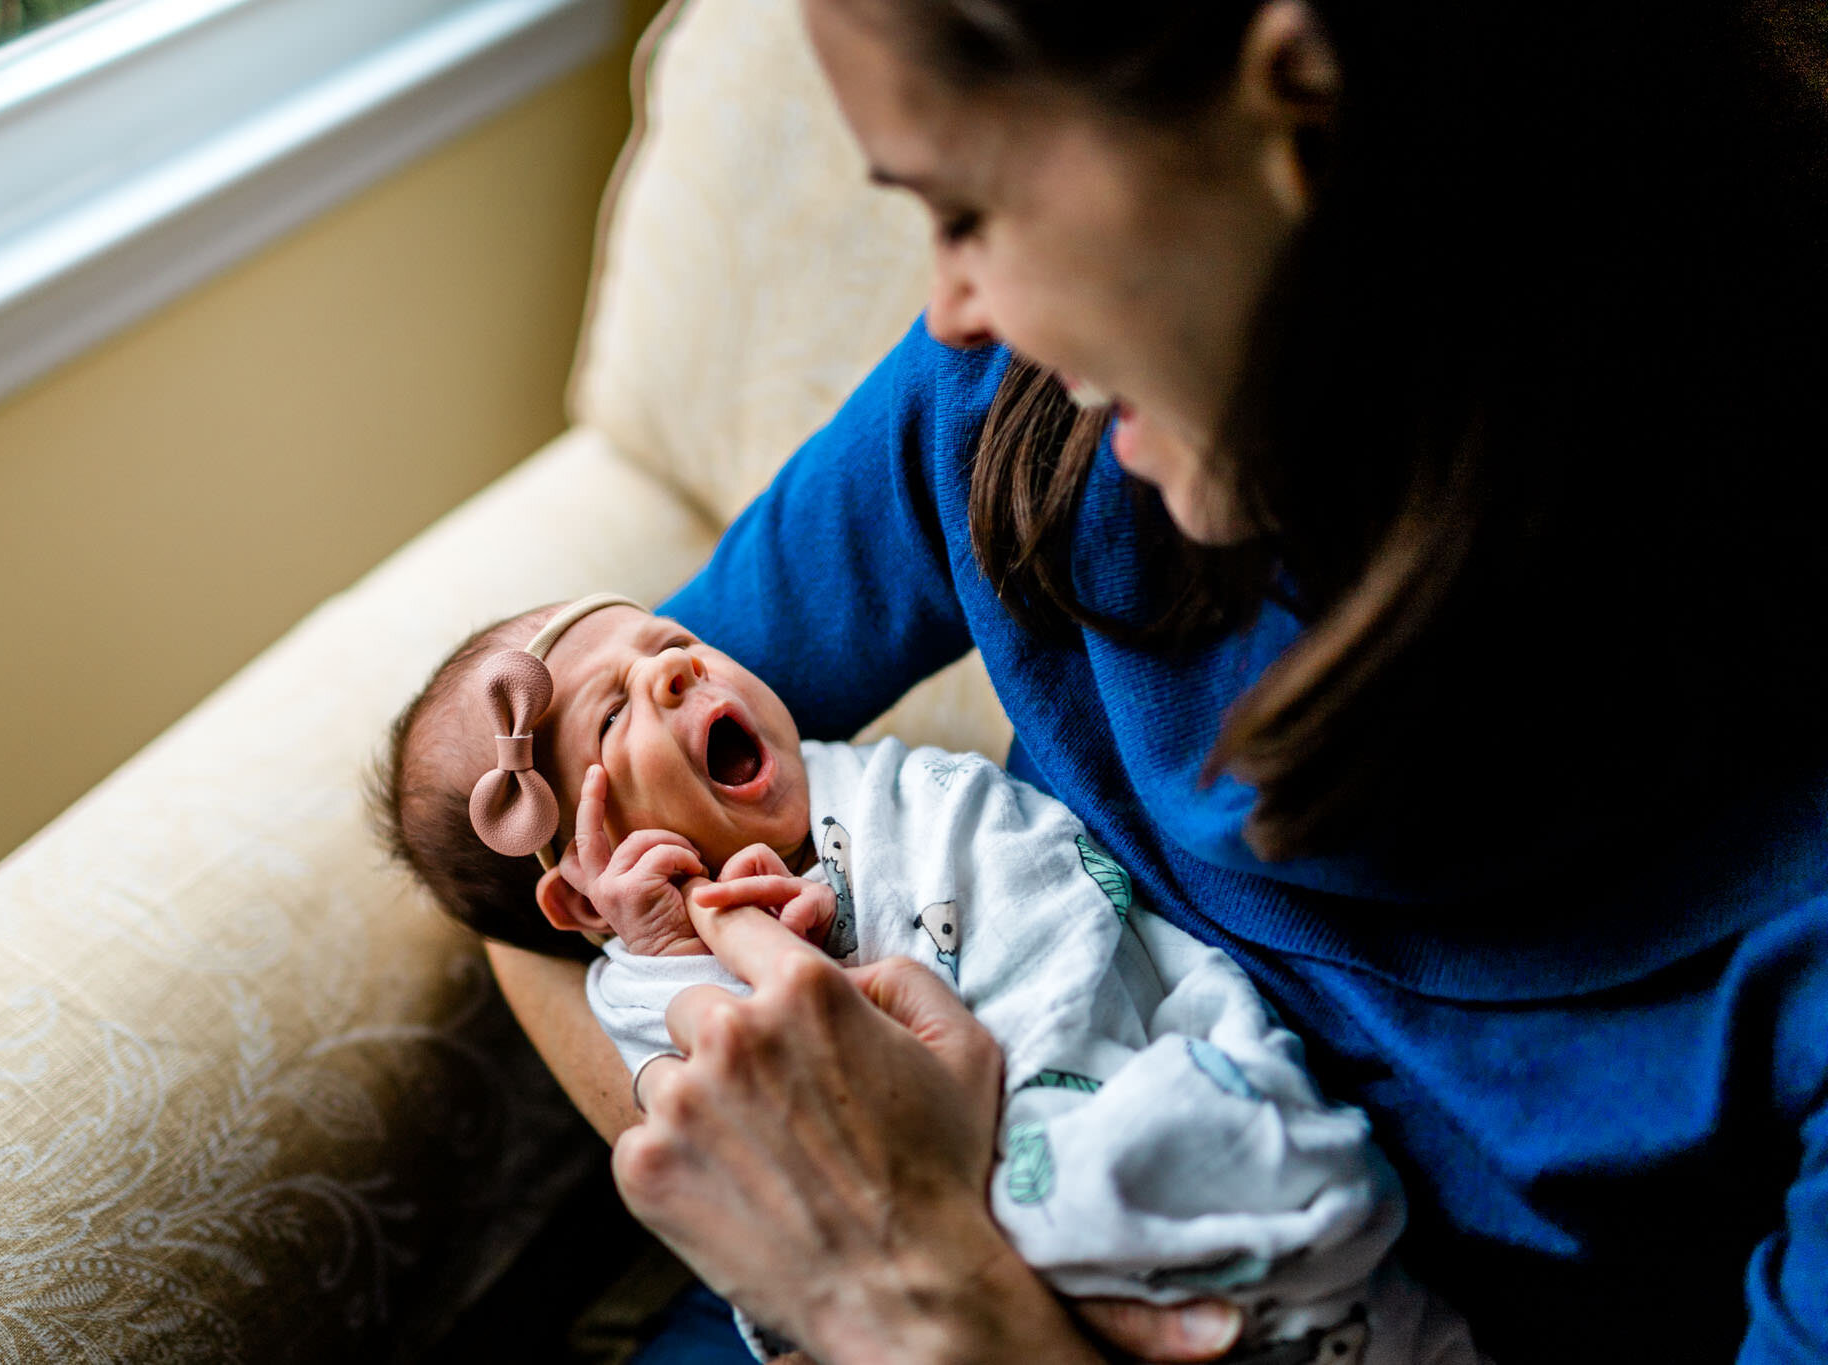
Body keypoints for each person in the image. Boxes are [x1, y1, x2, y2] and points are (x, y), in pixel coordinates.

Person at [485, 1, 1828, 1362]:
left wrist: (922, 1280)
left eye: (969, 207)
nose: (952, 305)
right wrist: (792, 1181)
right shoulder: (1016, 412)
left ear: (1293, 115)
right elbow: (517, 867)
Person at [376, 593, 1485, 1363]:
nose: (672, 669)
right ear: (576, 896)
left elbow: (1048, 930)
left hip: (1086, 1133)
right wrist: (679, 948)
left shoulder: (911, 805)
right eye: (610, 718)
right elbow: (707, 1104)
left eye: (670, 642)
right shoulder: (637, 967)